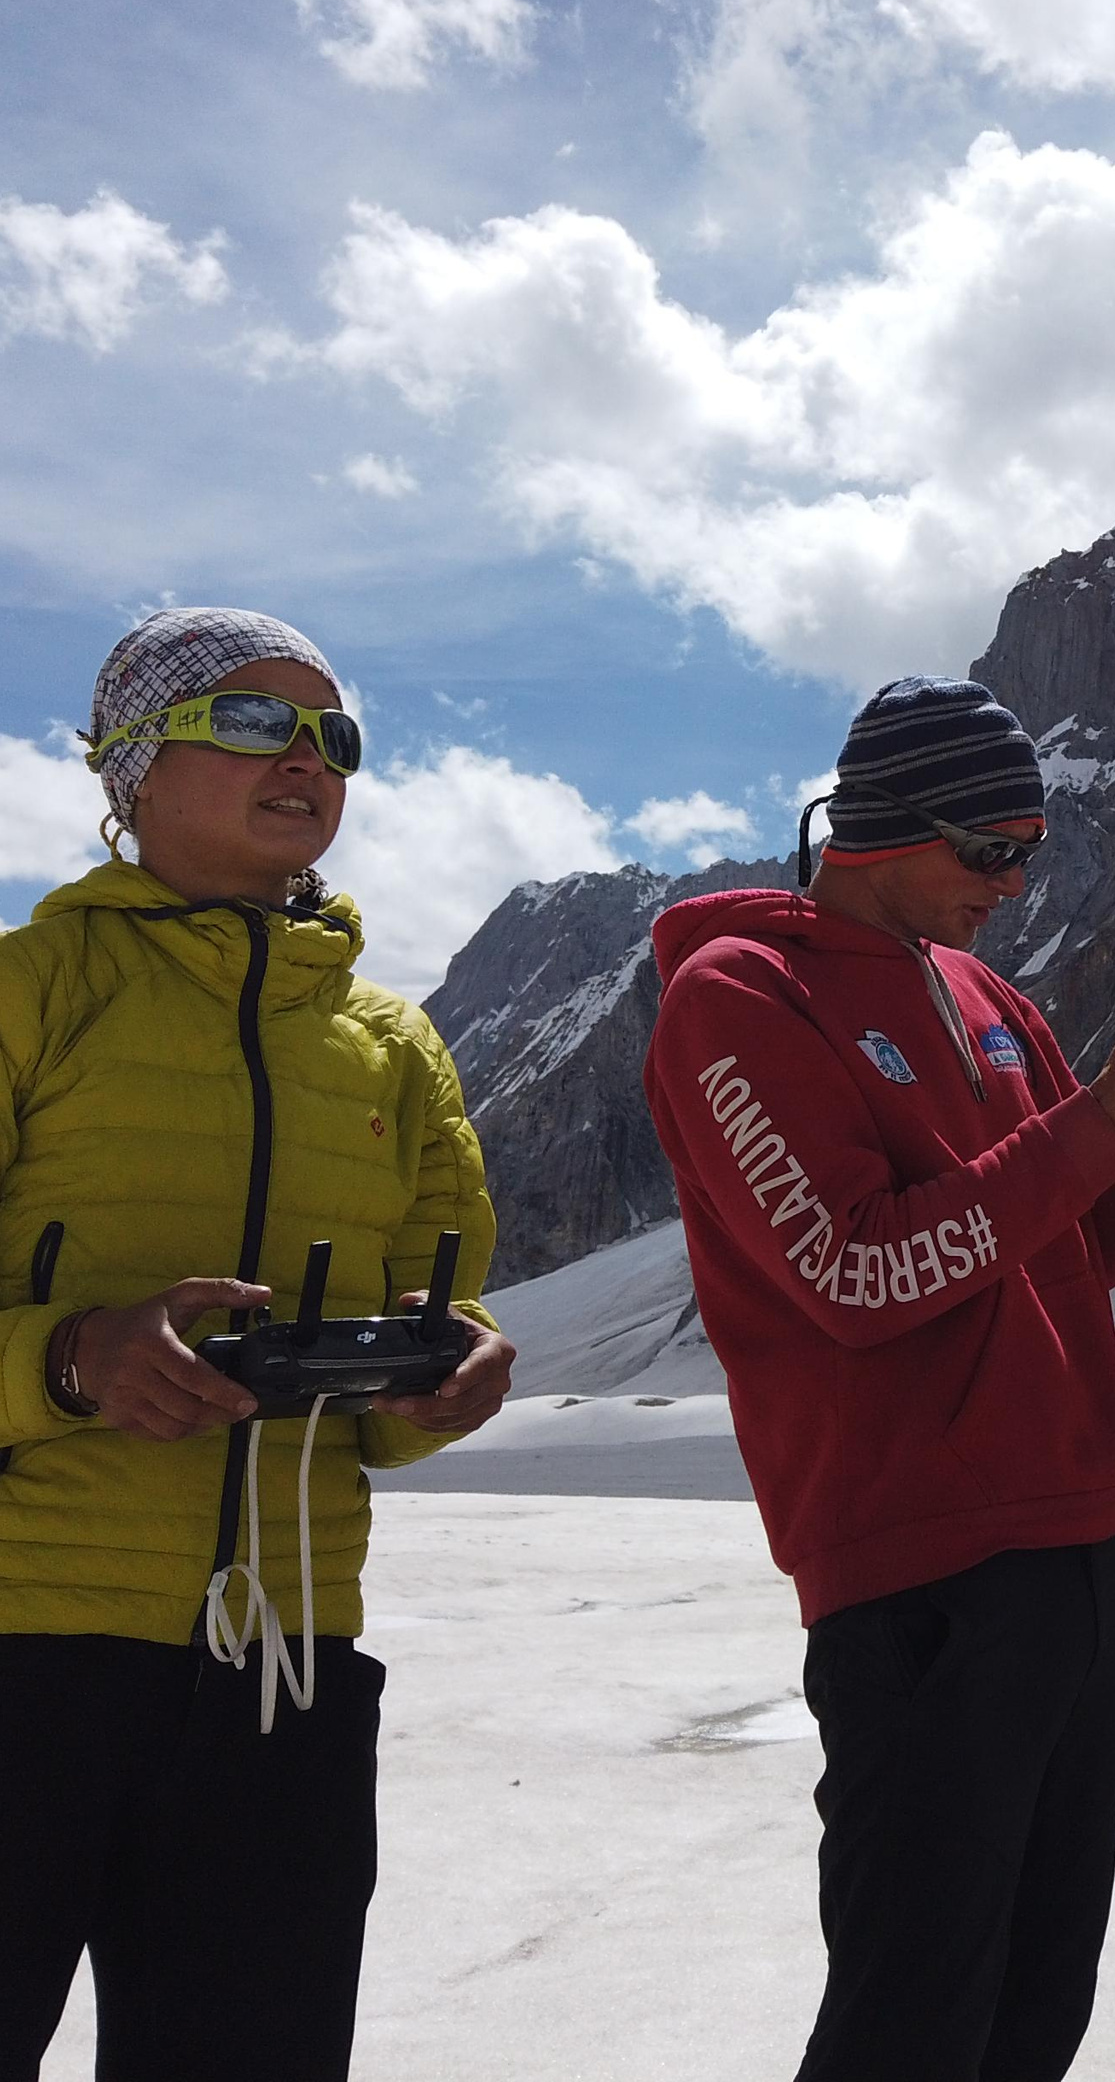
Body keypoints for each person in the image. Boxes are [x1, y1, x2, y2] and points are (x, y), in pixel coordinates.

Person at [642, 674, 1115, 2082]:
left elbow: (1066, 1252)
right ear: (876, 824)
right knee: (914, 2013)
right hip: (917, 1571)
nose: (1013, 882)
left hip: (1069, 1550)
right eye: (988, 849)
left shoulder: (985, 997)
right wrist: (1101, 1119)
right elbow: (854, 1274)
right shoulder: (739, 995)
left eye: (1031, 850)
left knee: (1030, 2008)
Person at [0, 606, 516, 2082]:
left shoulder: (393, 1048)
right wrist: (69, 1357)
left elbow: (432, 1308)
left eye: (330, 736)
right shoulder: (27, 996)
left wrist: (438, 1377)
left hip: (281, 1668)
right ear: (131, 760)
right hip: (21, 1649)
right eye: (248, 721)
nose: (303, 757)